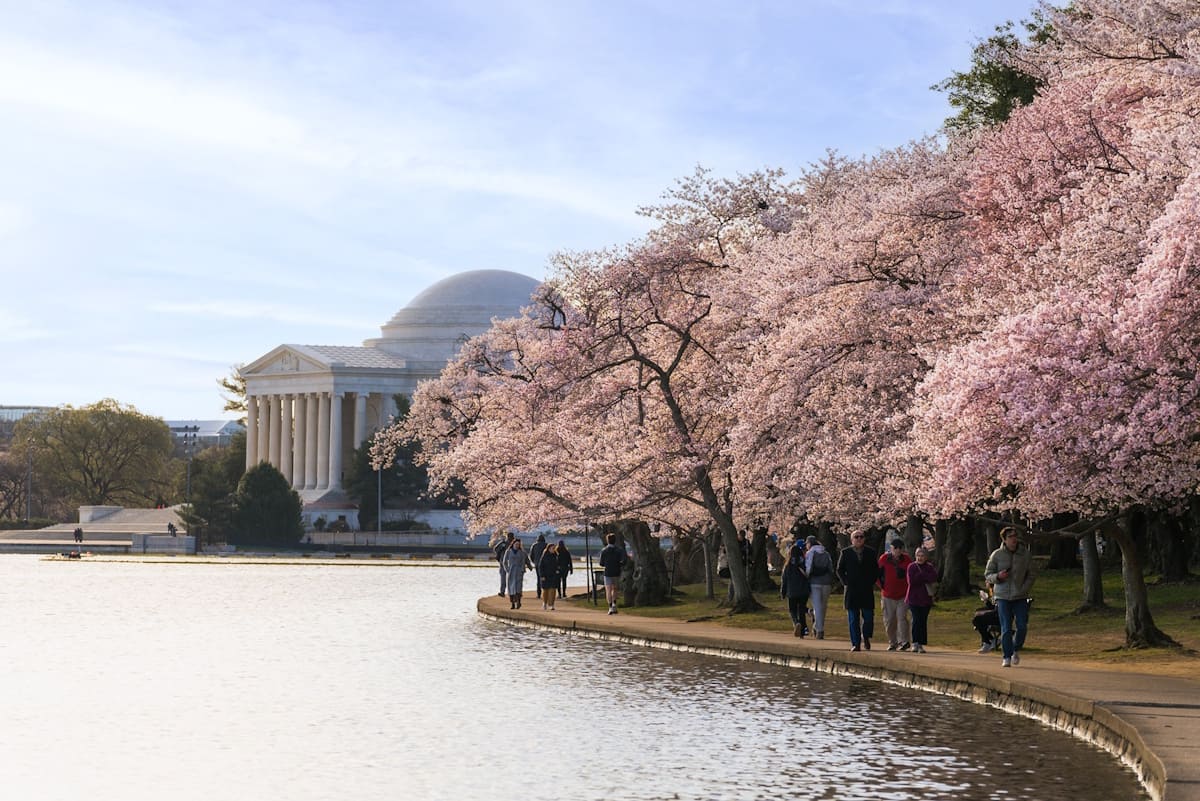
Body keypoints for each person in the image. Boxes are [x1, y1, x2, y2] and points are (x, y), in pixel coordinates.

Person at [985, 527, 1036, 668]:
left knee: (1022, 626)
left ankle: (1015, 648)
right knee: (1006, 627)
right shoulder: (997, 555)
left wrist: (1024, 588)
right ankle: (1006, 656)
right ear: (1004, 539)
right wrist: (998, 576)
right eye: (1010, 536)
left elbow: (1032, 574)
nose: (1014, 539)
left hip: (1020, 596)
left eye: (1015, 536)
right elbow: (988, 574)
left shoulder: (1025, 554)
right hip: (1002, 596)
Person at [837, 531, 880, 651]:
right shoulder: (845, 552)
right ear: (852, 540)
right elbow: (839, 569)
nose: (859, 539)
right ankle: (855, 643)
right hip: (852, 589)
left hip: (866, 589)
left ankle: (865, 636)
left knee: (868, 617)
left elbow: (875, 569)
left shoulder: (871, 552)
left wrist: (871, 581)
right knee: (853, 619)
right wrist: (846, 582)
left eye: (861, 537)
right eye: (856, 537)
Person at [877, 536, 913, 651]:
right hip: (887, 595)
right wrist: (882, 586)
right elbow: (877, 575)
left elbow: (911, 575)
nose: (897, 550)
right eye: (895, 548)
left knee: (902, 618)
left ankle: (904, 641)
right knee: (889, 620)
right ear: (891, 548)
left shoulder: (907, 560)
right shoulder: (884, 559)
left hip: (903, 595)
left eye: (900, 548)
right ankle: (893, 642)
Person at [905, 546, 938, 653]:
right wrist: (923, 576)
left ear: (926, 557)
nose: (920, 558)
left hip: (926, 599)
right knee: (916, 620)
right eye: (918, 555)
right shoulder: (911, 567)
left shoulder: (929, 567)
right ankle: (915, 642)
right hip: (913, 598)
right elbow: (912, 581)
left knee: (923, 621)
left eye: (922, 555)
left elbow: (933, 577)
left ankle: (921, 643)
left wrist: (921, 576)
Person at [803, 535, 834, 639]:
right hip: (826, 583)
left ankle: (819, 630)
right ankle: (817, 627)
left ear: (809, 544)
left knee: (817, 607)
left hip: (814, 582)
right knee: (823, 607)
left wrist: (806, 577)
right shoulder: (826, 553)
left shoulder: (810, 553)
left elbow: (808, 568)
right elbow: (831, 568)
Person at [779, 544, 811, 637]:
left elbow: (784, 580)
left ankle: (796, 622)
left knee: (792, 610)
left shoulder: (788, 566)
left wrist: (783, 592)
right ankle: (803, 631)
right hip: (803, 591)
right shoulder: (804, 564)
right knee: (801, 610)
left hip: (792, 591)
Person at [599, 533, 627, 615]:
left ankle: (610, 606)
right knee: (615, 588)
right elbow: (624, 560)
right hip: (616, 571)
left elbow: (601, 563)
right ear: (615, 540)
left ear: (607, 541)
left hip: (608, 572)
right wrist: (619, 564)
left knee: (608, 590)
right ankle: (614, 603)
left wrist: (607, 563)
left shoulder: (604, 551)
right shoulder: (619, 550)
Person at [502, 538, 533, 609]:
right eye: (516, 544)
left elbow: (527, 560)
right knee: (511, 588)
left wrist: (529, 567)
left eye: (518, 544)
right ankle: (512, 603)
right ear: (513, 544)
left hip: (519, 571)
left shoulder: (522, 552)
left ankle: (518, 602)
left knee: (518, 588)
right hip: (511, 572)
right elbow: (504, 562)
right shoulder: (508, 552)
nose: (517, 546)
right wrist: (507, 569)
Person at [973, 586, 1001, 653]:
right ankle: (991, 640)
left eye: (987, 581)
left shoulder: (998, 590)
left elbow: (998, 609)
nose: (986, 582)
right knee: (977, 617)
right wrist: (986, 600)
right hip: (995, 615)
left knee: (978, 620)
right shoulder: (992, 591)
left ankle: (987, 642)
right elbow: (992, 607)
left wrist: (984, 613)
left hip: (1001, 617)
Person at [539, 542, 561, 610]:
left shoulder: (556, 556)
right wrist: (542, 575)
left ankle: (551, 604)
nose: (553, 549)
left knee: (553, 590)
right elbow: (541, 566)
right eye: (552, 548)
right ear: (548, 549)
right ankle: (544, 603)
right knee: (545, 590)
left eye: (554, 548)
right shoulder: (544, 556)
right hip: (545, 575)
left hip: (554, 576)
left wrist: (558, 570)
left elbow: (559, 565)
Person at [493, 531, 514, 596]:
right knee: (512, 577)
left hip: (503, 561)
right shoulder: (514, 543)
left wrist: (500, 554)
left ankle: (502, 591)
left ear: (507, 537)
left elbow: (495, 549)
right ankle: (512, 592)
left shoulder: (503, 543)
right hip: (512, 562)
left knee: (503, 577)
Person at [530, 534, 548, 599]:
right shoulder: (546, 545)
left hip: (537, 564)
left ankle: (539, 593)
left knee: (538, 578)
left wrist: (534, 562)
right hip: (545, 564)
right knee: (545, 578)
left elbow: (531, 555)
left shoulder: (534, 545)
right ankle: (545, 592)